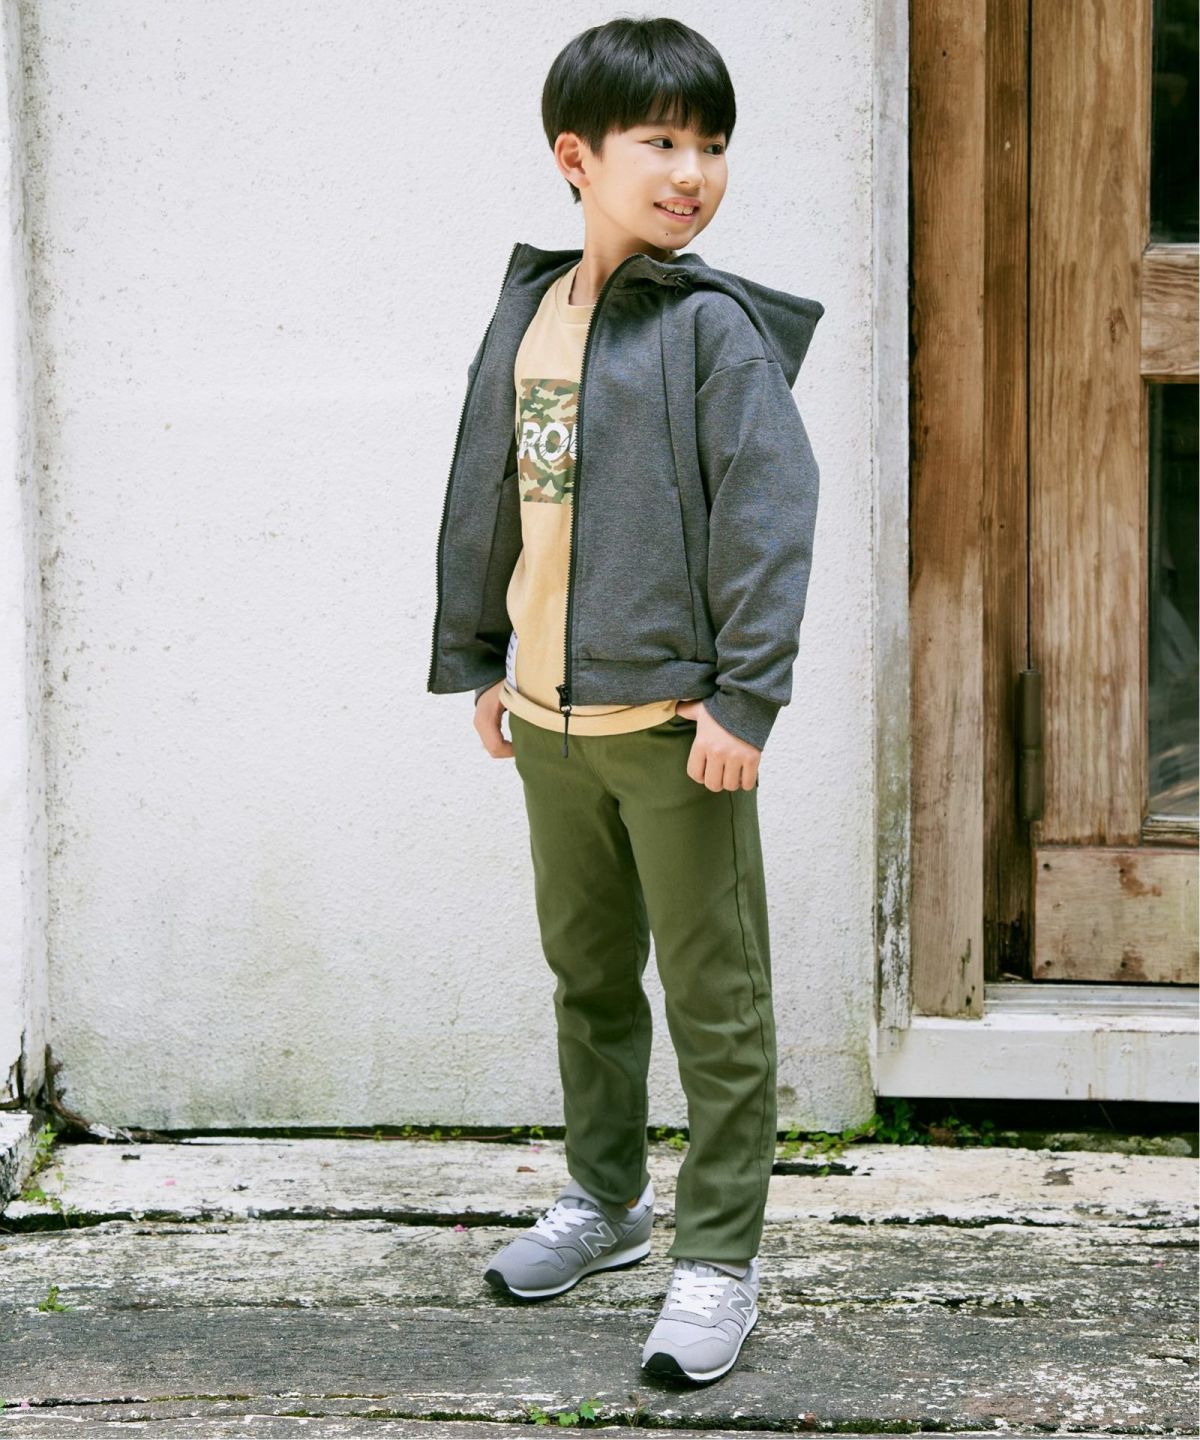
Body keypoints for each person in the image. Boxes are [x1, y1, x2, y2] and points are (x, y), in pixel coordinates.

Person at [426, 15, 823, 1386]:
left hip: (672, 730)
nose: (691, 172)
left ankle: (719, 1259)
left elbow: (769, 521)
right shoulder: (534, 314)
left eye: (712, 145)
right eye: (661, 141)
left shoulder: (713, 331)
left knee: (718, 1002)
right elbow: (502, 497)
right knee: (588, 977)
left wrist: (745, 702)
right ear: (576, 158)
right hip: (550, 723)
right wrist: (487, 658)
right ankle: (606, 1200)